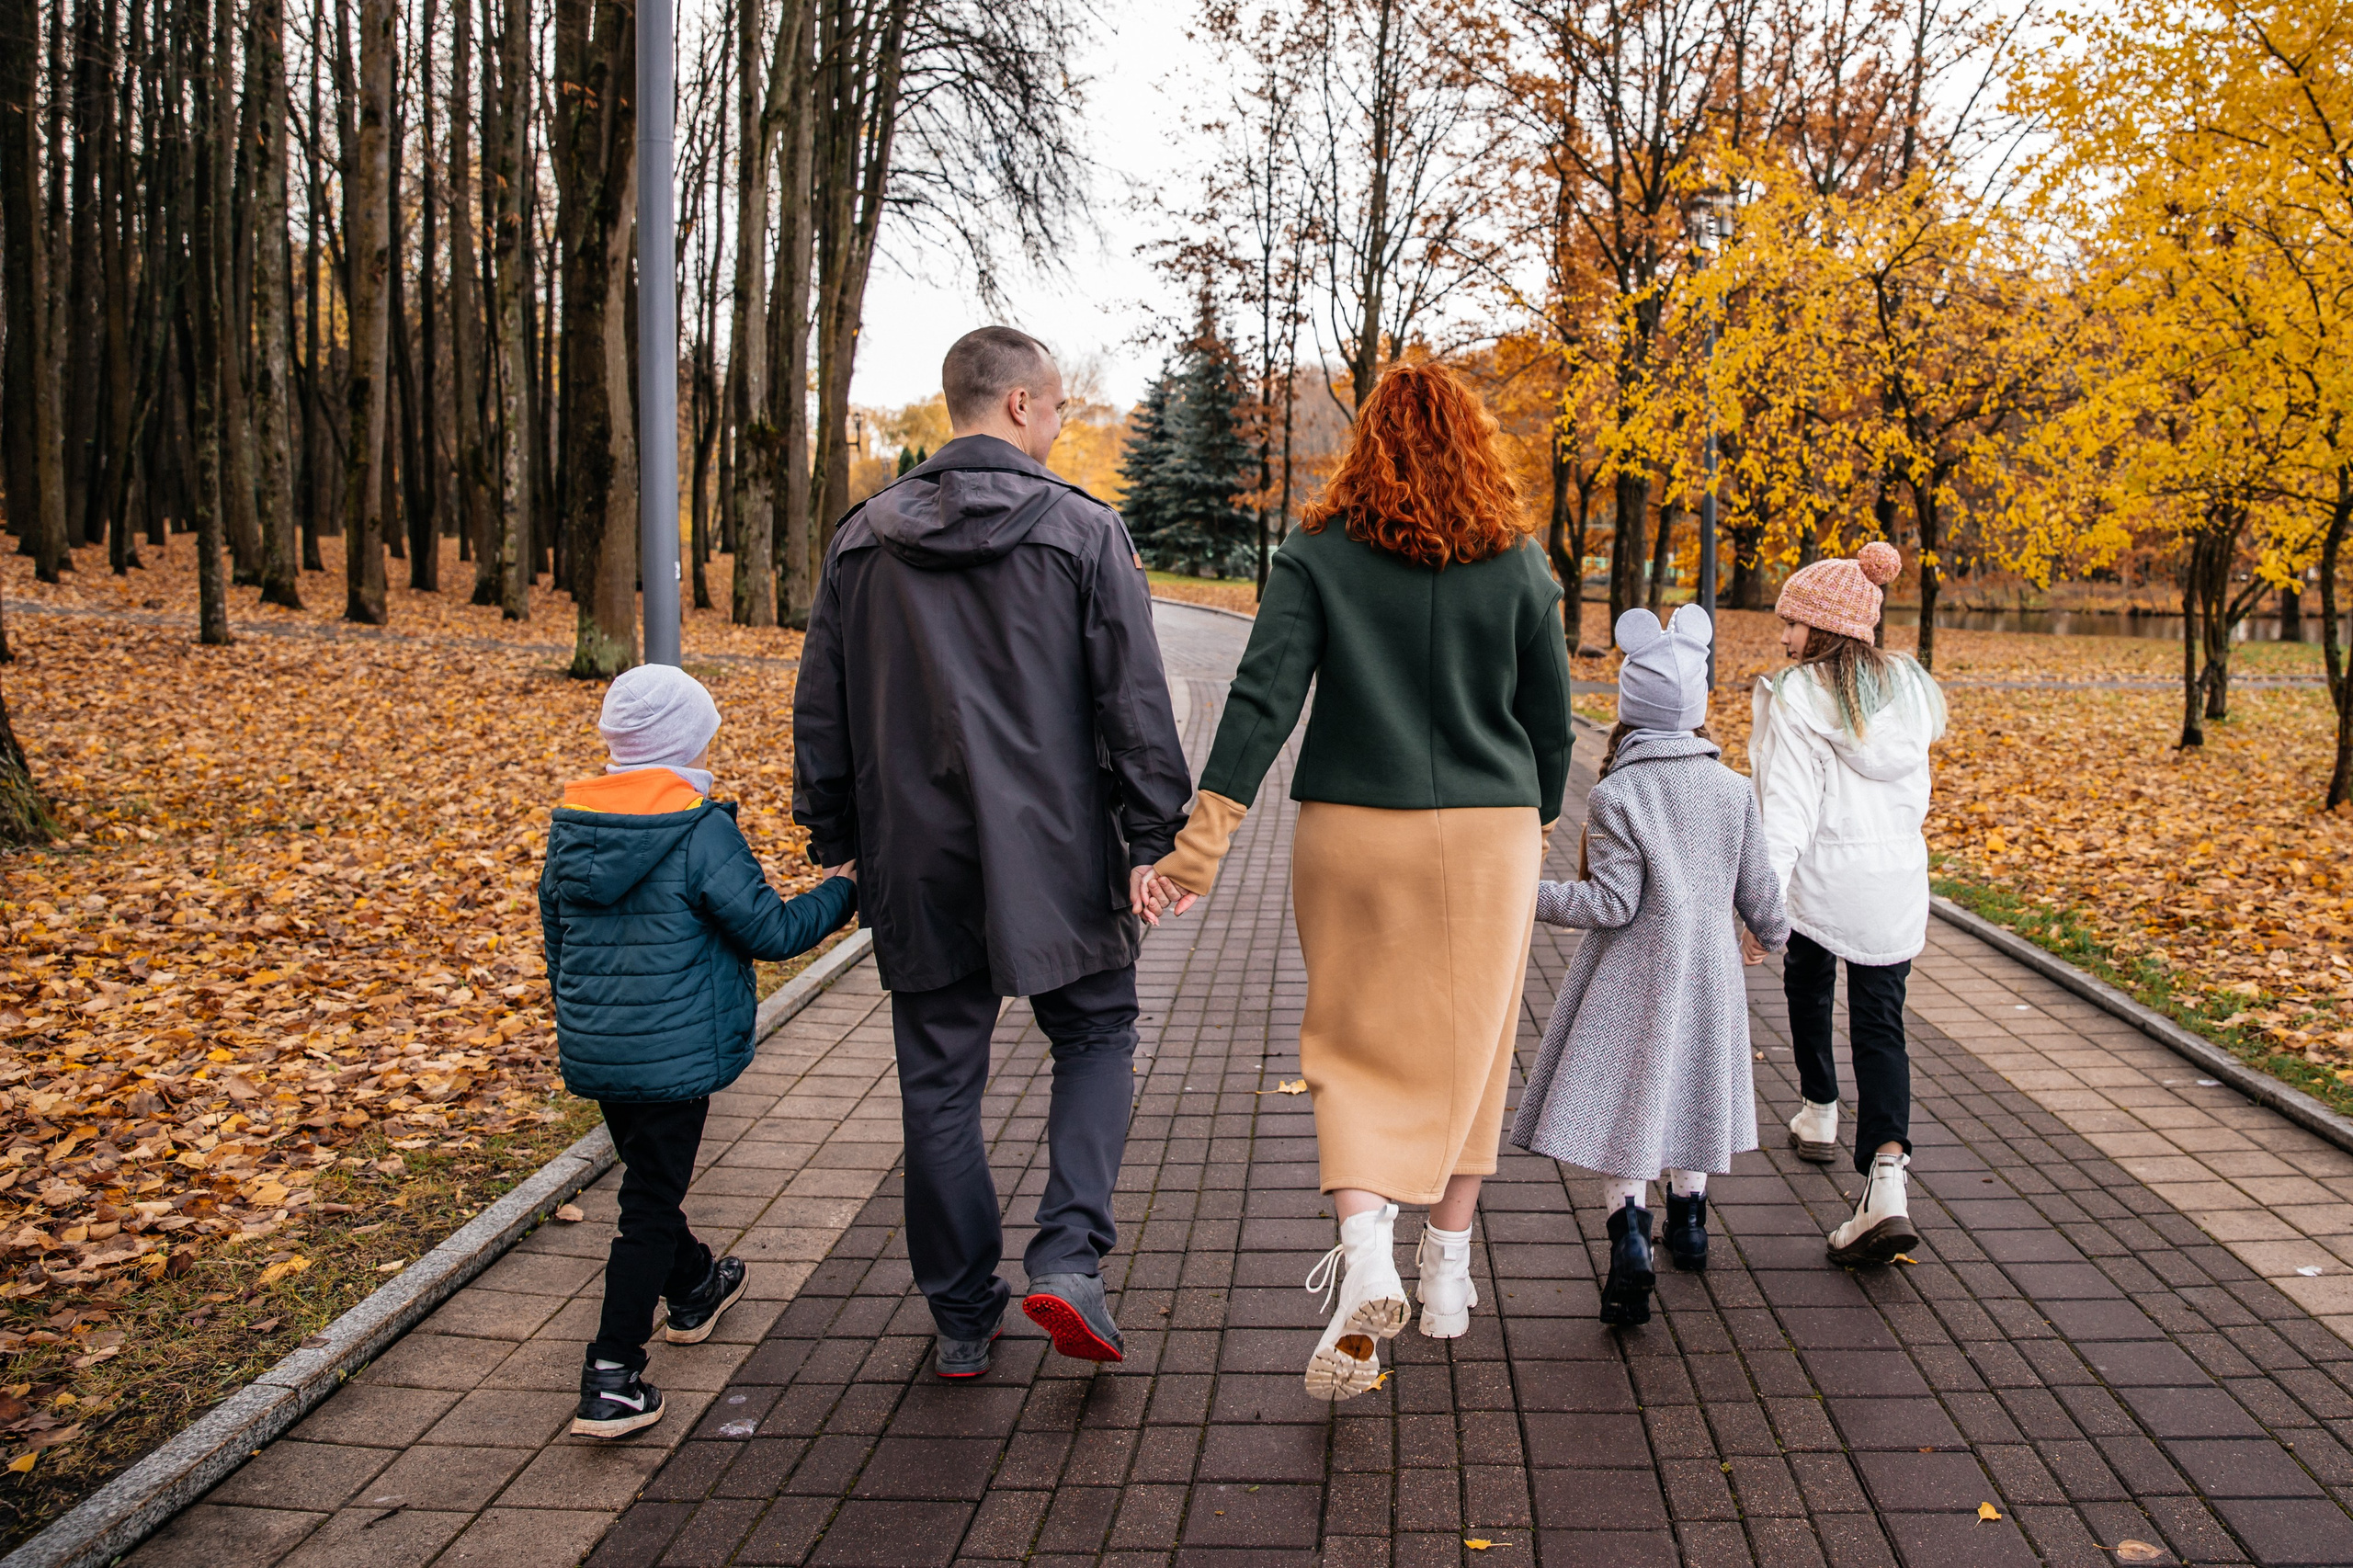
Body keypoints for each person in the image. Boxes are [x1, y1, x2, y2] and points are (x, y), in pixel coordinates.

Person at [1144, 360, 1574, 1401]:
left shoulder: (1316, 554)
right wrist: (1538, 812)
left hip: (1353, 827)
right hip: (1489, 834)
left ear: (1367, 440)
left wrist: (1196, 848)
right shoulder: (1518, 564)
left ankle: (1369, 1250)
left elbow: (1258, 701)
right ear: (1474, 443)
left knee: (1350, 1041)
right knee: (1474, 1044)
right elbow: (1550, 721)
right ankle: (1449, 1277)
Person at [794, 326, 1191, 1380]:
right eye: (1058, 407)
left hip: (915, 853)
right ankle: (1068, 1252)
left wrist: (835, 833)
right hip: (1061, 847)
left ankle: (963, 1313)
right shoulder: (1082, 531)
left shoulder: (863, 537)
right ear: (1019, 405)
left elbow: (821, 705)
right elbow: (1133, 699)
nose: (1061, 426)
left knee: (938, 1085)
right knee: (1098, 1032)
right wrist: (1156, 838)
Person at [541, 665, 860, 1438]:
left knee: (651, 1183)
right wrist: (846, 886)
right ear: (688, 739)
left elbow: (558, 941)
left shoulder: (574, 824)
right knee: (646, 1205)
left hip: (601, 1047)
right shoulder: (696, 828)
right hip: (675, 1055)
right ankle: (613, 1376)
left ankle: (696, 1288)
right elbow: (773, 934)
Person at [1509, 607, 1790, 1326]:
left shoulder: (1619, 793)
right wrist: (1770, 933)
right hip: (1708, 979)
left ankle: (1630, 1239)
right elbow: (1759, 888)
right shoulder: (1732, 791)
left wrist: (1518, 894)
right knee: (1693, 1088)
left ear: (1630, 711)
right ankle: (1690, 1224)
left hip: (1632, 982)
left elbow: (1609, 904)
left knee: (1631, 1110)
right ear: (1695, 710)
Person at [1745, 540, 1947, 1266]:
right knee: (1880, 1025)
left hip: (1822, 883)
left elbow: (1787, 812)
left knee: (1807, 979)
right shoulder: (1910, 691)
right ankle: (1887, 1180)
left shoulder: (1800, 696)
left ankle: (1820, 1108)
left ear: (1825, 628)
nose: (1784, 636)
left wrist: (1760, 906)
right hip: (1895, 884)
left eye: (1792, 624)